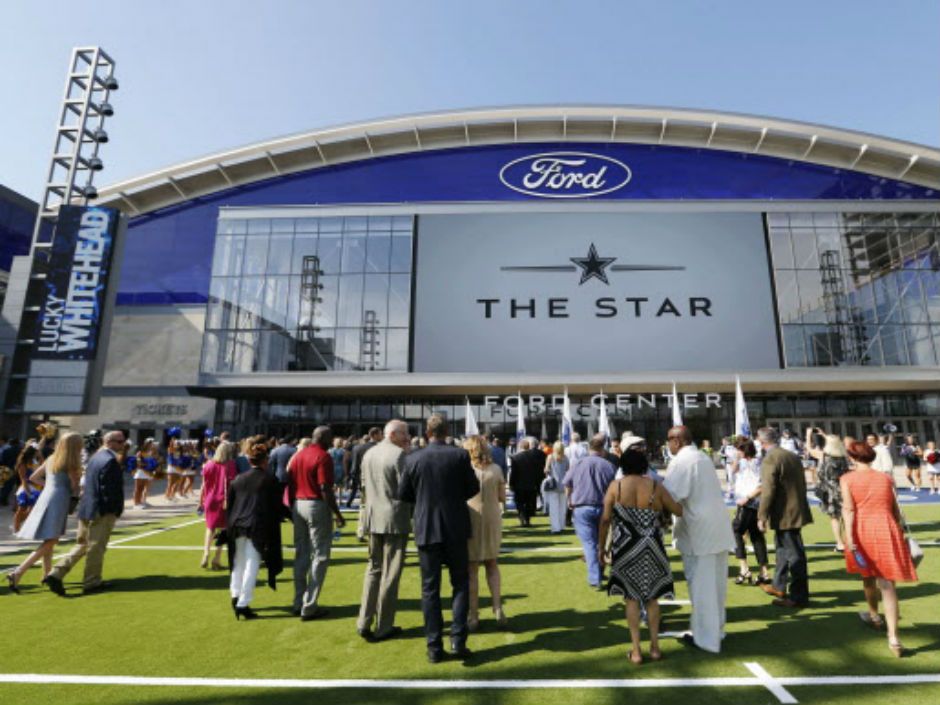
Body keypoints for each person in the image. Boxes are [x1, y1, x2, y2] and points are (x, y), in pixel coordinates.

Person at [398, 415, 480, 663]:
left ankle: (434, 646)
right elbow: (472, 488)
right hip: (455, 526)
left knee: (430, 590)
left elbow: (404, 494)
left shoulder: (414, 458)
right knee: (460, 584)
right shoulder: (459, 455)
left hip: (426, 527)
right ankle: (458, 640)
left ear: (427, 431)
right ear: (446, 431)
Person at [599, 449, 682, 665]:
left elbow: (605, 520)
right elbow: (678, 510)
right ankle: (655, 647)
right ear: (645, 465)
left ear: (623, 466)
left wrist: (602, 548)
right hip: (652, 547)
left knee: (631, 598)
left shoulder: (615, 487)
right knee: (652, 598)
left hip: (625, 548)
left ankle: (636, 651)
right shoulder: (656, 486)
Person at [842, 441, 919, 657]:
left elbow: (848, 509)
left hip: (862, 529)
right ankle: (893, 637)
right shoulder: (886, 478)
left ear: (853, 458)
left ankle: (875, 616)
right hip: (886, 528)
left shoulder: (847, 479)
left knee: (867, 574)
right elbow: (895, 510)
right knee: (887, 584)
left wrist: (848, 537)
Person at [662, 426, 735, 653]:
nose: (668, 445)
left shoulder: (683, 461)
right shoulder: (701, 458)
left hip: (699, 532)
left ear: (677, 441)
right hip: (717, 529)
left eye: (669, 441)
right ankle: (716, 631)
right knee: (716, 587)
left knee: (702, 588)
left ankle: (706, 639)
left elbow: (670, 495)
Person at [44, 431, 126, 597]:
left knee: (82, 545)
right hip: (101, 510)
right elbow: (109, 490)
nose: (122, 445)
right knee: (96, 547)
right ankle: (92, 582)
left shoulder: (95, 457)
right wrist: (115, 509)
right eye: (119, 441)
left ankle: (56, 573)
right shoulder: (110, 460)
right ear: (109, 442)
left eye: (123, 441)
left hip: (87, 508)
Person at [357, 420, 412, 641]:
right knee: (390, 573)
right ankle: (384, 625)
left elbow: (363, 486)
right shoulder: (399, 455)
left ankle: (364, 620)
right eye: (405, 434)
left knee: (373, 570)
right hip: (394, 518)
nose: (407, 438)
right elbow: (406, 490)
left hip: (373, 516)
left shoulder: (368, 453)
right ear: (394, 434)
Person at [6, 433, 83, 593]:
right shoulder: (71, 462)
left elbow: (33, 477)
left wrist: (50, 486)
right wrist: (76, 491)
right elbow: (75, 487)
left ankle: (46, 574)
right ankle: (18, 572)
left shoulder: (51, 458)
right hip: (59, 499)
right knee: (52, 540)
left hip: (47, 496)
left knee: (49, 538)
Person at [288, 425, 346, 621]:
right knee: (320, 554)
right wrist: (337, 513)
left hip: (298, 503)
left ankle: (298, 601)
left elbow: (290, 480)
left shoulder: (299, 455)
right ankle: (309, 605)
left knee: (301, 553)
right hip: (315, 504)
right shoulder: (323, 456)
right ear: (325, 439)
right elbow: (325, 488)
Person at [225, 441, 284, 619]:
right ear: (265, 461)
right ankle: (242, 603)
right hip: (256, 526)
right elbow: (276, 507)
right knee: (252, 564)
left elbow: (230, 505)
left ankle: (236, 597)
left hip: (236, 525)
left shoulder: (238, 479)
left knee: (238, 563)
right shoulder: (270, 479)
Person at [757, 426, 813, 609]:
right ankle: (778, 586)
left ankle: (798, 597)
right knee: (783, 550)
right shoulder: (790, 455)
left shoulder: (771, 458)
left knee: (794, 555)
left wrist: (762, 515)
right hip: (794, 509)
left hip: (784, 512)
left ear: (762, 441)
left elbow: (768, 490)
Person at [464, 435, 508, 631]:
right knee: (492, 564)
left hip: (470, 517)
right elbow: (501, 497)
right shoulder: (496, 469)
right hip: (492, 517)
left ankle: (473, 615)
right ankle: (497, 608)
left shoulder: (466, 470)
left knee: (471, 569)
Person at [563, 433, 616, 589]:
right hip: (603, 507)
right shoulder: (608, 466)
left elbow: (567, 483)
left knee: (589, 544)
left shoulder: (578, 464)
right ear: (602, 449)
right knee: (601, 543)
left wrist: (570, 500)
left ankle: (595, 578)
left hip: (582, 507)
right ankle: (598, 572)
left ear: (589, 448)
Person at [731, 441, 771, 585]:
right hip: (754, 502)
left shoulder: (754, 463)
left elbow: (761, 485)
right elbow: (733, 470)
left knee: (735, 531)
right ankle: (764, 571)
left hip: (748, 502)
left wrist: (747, 498)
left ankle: (744, 568)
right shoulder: (755, 462)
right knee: (756, 536)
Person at [806, 429, 849, 551]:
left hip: (828, 491)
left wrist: (809, 434)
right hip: (842, 488)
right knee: (845, 516)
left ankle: (840, 543)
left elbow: (809, 448)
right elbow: (835, 443)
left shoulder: (823, 456)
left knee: (834, 517)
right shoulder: (843, 457)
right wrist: (825, 435)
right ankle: (848, 540)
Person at [199, 441, 237, 570]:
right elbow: (232, 484)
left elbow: (203, 485)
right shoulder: (230, 465)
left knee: (210, 528)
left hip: (210, 499)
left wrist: (200, 501)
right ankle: (217, 558)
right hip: (224, 500)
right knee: (224, 530)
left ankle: (206, 553)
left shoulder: (209, 464)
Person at [509, 438, 544, 527]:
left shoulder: (515, 457)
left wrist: (511, 484)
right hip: (531, 484)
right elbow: (537, 471)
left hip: (519, 484)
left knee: (520, 503)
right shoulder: (534, 457)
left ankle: (522, 518)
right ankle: (527, 520)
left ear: (520, 447)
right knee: (529, 503)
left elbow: (513, 473)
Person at [346, 427, 381, 508]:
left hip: (360, 476)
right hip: (373, 477)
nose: (381, 436)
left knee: (363, 501)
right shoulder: (379, 448)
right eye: (380, 434)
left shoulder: (357, 448)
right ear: (375, 435)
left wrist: (353, 476)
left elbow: (354, 465)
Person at [12, 442, 42, 533]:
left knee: (31, 511)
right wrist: (28, 493)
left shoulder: (34, 461)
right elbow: (23, 479)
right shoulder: (22, 463)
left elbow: (43, 465)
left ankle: (18, 524)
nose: (38, 453)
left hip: (36, 487)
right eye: (37, 451)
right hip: (26, 488)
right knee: (21, 509)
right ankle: (16, 528)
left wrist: (40, 456)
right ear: (33, 452)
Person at [543, 441, 569, 534]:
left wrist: (548, 471)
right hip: (563, 485)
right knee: (562, 507)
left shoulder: (550, 457)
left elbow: (546, 470)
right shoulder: (565, 458)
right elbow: (568, 470)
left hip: (553, 484)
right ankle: (561, 525)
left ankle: (555, 527)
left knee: (554, 507)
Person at [132, 439, 159, 509]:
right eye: (150, 444)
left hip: (148, 473)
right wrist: (145, 469)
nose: (151, 445)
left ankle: (140, 502)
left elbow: (155, 462)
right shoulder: (140, 453)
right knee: (138, 489)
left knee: (143, 488)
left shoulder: (152, 453)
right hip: (141, 472)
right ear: (146, 444)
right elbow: (139, 463)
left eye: (152, 444)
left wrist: (151, 470)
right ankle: (136, 503)